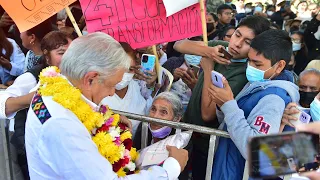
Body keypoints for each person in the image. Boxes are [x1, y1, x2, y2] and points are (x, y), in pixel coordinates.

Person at [25, 32, 188, 179]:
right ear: (90, 79)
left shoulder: (50, 89)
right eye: (111, 85)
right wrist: (170, 169)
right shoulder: (63, 125)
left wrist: (103, 119)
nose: (111, 93)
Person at [173, 15, 271, 180]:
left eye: (248, 42)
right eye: (237, 35)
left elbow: (208, 114)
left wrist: (209, 68)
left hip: (206, 144)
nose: (237, 44)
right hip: (185, 133)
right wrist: (208, 51)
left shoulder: (243, 75)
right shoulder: (222, 48)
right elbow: (179, 45)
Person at [209, 29, 299, 179]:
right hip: (231, 168)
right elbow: (235, 121)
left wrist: (229, 104)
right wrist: (222, 104)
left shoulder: (274, 98)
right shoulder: (258, 84)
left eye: (257, 63)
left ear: (279, 66)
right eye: (249, 61)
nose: (250, 67)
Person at [0, 31, 72, 179]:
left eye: (72, 52)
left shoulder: (76, 77)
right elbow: (3, 104)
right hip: (30, 148)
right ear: (47, 56)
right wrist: (34, 98)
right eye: (61, 52)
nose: (68, 58)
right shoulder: (33, 77)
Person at [101, 42, 157, 137]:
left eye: (130, 69)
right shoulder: (97, 91)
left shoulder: (136, 85)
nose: (124, 75)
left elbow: (149, 101)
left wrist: (150, 84)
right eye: (121, 69)